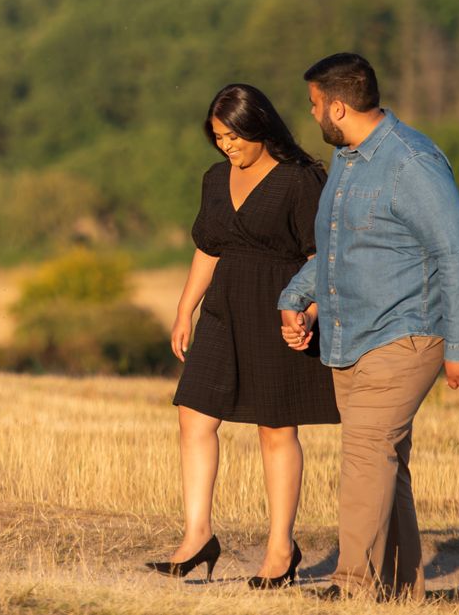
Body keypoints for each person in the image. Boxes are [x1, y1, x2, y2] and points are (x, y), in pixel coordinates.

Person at [278, 52, 459, 601]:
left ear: (337, 106)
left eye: (315, 105)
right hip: (352, 334)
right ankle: (396, 590)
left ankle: (351, 586)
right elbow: (341, 249)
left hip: (407, 333)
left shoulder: (410, 162)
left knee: (366, 453)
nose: (313, 114)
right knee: (387, 463)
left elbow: (455, 250)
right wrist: (296, 296)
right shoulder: (347, 160)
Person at [150, 83, 338, 587]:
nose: (226, 146)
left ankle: (281, 550)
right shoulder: (215, 179)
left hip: (280, 309)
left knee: (275, 430)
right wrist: (184, 309)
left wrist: (310, 313)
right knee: (194, 416)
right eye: (218, 137)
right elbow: (209, 248)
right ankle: (197, 536)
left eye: (234, 136)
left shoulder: (301, 180)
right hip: (221, 311)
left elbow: (320, 258)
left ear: (261, 128)